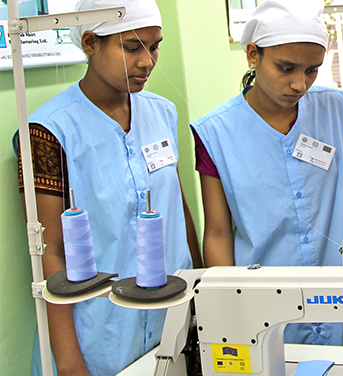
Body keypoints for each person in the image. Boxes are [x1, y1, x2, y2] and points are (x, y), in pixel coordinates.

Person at [13, 0, 202, 374]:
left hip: (171, 320)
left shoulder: (163, 112)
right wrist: (69, 364)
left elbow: (179, 209)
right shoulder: (47, 132)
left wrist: (202, 297)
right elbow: (50, 255)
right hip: (97, 336)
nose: (148, 61)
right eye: (132, 48)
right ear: (89, 43)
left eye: (155, 45)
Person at [191, 0, 343, 347]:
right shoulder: (216, 133)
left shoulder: (336, 110)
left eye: (312, 70)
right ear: (253, 55)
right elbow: (219, 234)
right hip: (264, 310)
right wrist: (230, 314)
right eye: (286, 68)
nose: (300, 84)